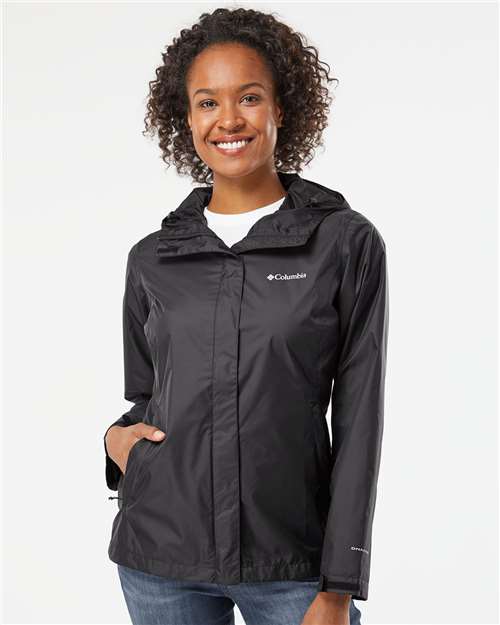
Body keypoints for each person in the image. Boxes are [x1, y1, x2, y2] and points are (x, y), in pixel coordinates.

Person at [104, 7, 388, 625]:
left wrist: (339, 586)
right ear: (187, 118)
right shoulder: (153, 257)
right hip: (158, 559)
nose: (228, 119)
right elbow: (148, 396)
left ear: (281, 107)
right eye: (207, 102)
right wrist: (113, 440)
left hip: (292, 565)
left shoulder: (343, 242)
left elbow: (360, 419)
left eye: (249, 97)